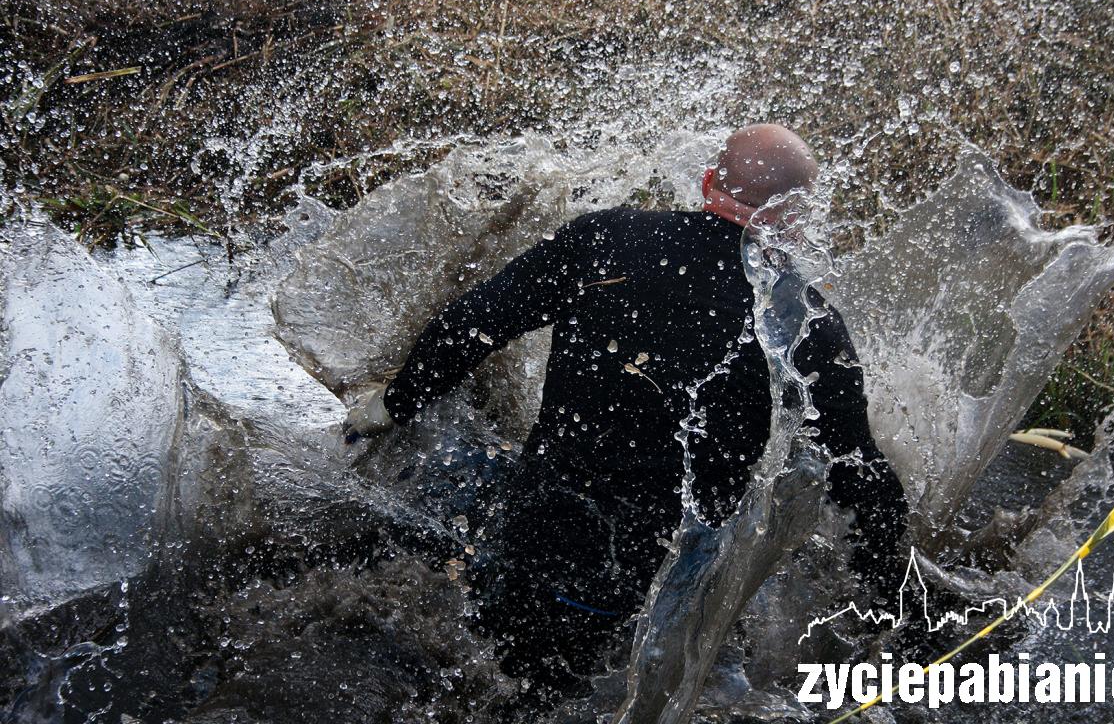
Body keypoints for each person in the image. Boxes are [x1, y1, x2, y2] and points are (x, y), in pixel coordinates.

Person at [343, 123, 908, 701]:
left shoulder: (604, 239)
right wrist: (895, 605)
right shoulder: (806, 322)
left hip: (531, 542)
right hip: (656, 592)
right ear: (793, 219)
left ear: (708, 180)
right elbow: (858, 473)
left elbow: (472, 323)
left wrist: (391, 405)